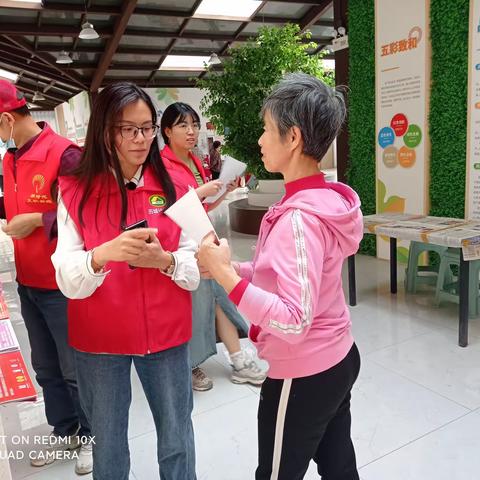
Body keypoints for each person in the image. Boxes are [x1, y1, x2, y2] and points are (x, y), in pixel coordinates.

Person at [197, 73, 363, 479]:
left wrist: (229, 280)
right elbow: (290, 275)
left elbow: (292, 319)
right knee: (339, 466)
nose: (259, 140)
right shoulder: (325, 199)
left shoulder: (299, 219)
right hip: (338, 356)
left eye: (267, 129)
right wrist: (231, 270)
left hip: (303, 373)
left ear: (293, 139)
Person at [51, 83, 198, 480]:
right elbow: (65, 273)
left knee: (177, 438)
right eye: (126, 129)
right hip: (100, 340)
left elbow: (196, 262)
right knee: (109, 445)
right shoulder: (75, 189)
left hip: (166, 336)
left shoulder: (176, 185)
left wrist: (164, 260)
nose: (139, 139)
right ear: (104, 132)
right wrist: (102, 255)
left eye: (147, 128)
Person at [0, 79, 92, 474]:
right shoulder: (11, 157)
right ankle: (65, 428)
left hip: (61, 284)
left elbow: (89, 212)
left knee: (74, 368)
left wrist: (37, 220)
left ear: (6, 118)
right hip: (29, 281)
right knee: (46, 366)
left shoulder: (65, 155)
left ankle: (91, 433)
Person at [160, 102, 266, 391]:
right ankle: (193, 364)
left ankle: (238, 359)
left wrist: (221, 191)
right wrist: (199, 193)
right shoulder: (161, 166)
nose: (192, 131)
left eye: (194, 124)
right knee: (196, 304)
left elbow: (202, 206)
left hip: (203, 241)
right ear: (167, 131)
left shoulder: (195, 161)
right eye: (183, 125)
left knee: (219, 296)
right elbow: (166, 210)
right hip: (181, 247)